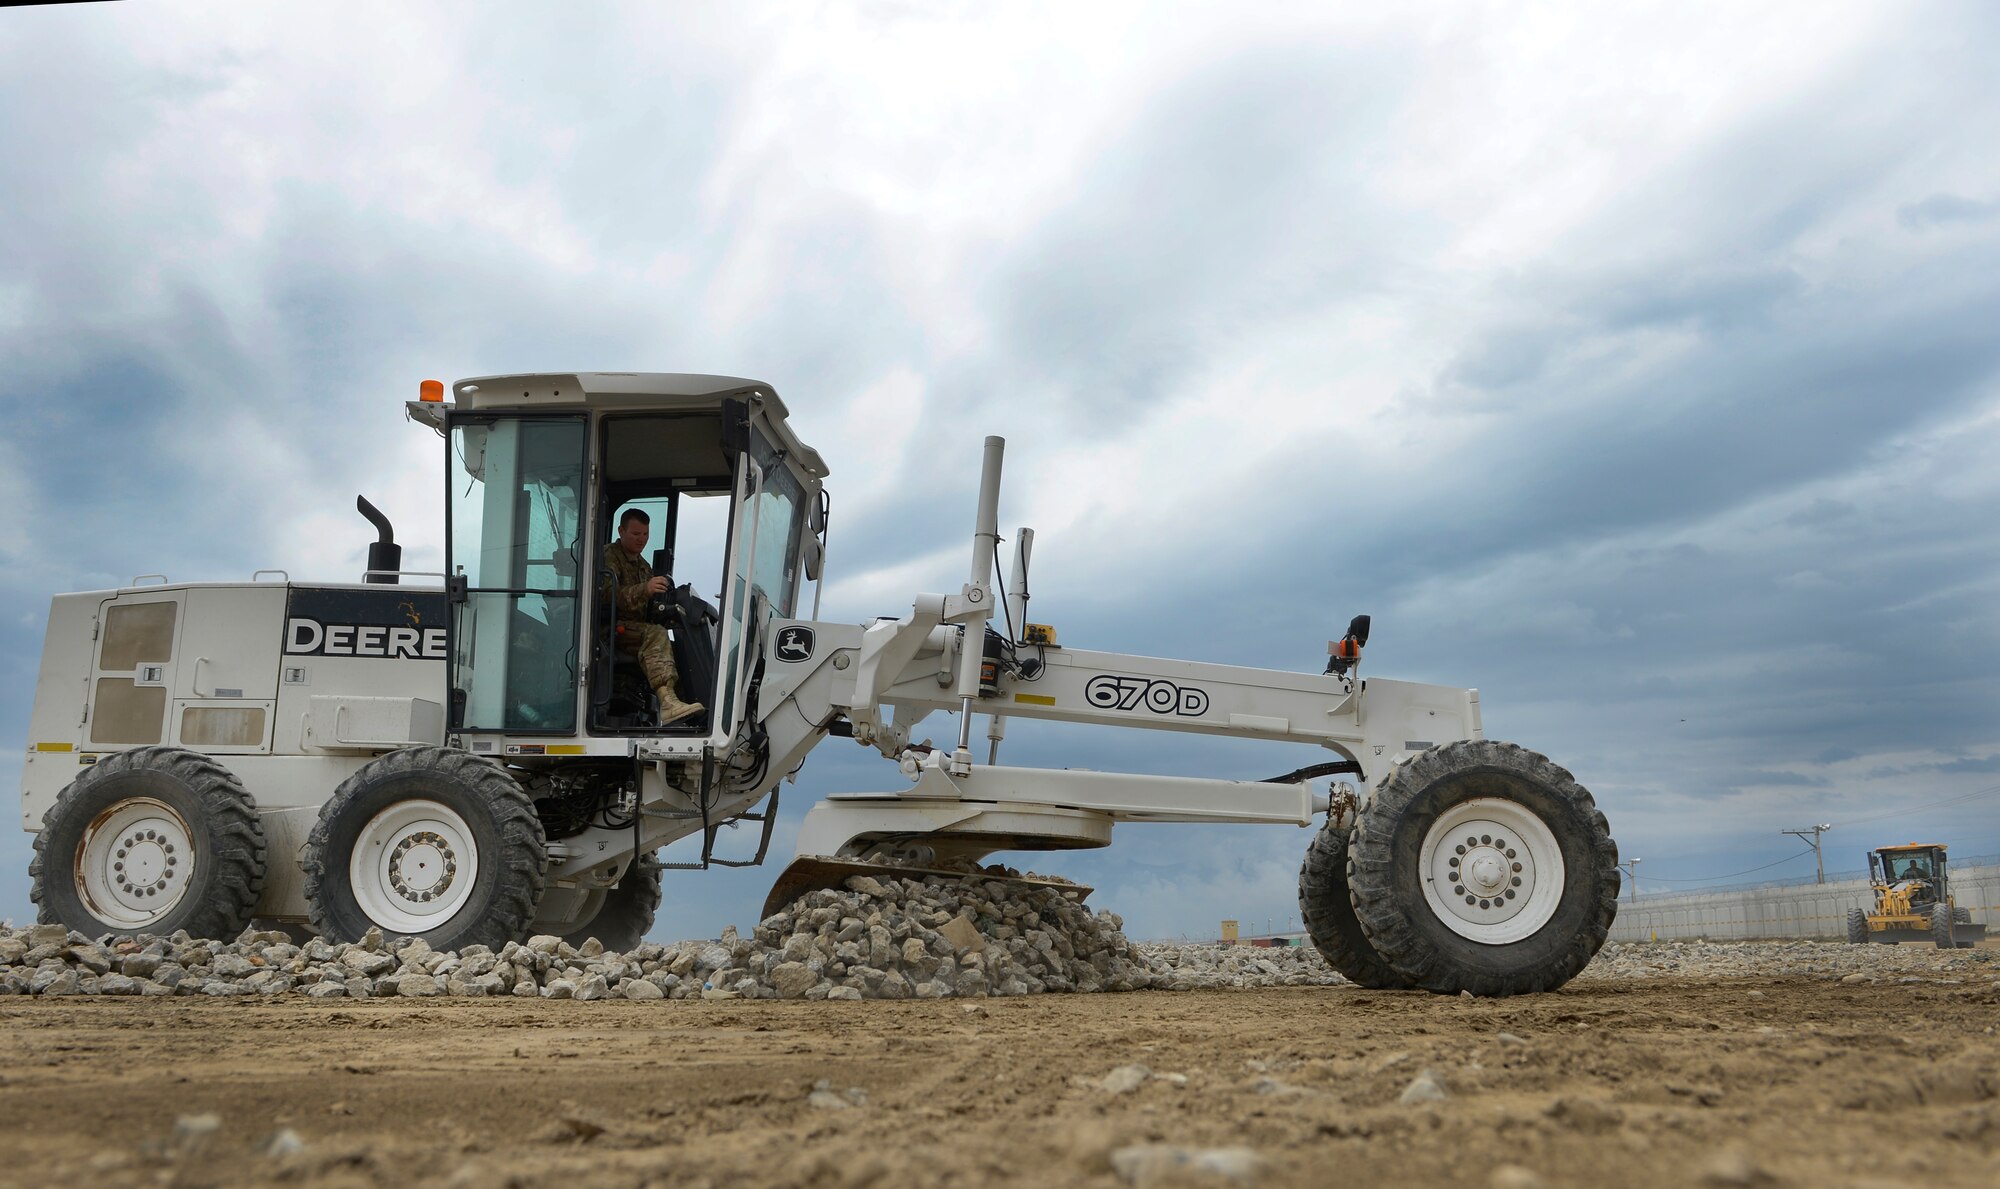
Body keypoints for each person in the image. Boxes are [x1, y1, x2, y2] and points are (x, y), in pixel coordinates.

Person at [605, 507, 704, 726]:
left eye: (645, 534)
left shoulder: (643, 565)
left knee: (679, 647)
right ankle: (667, 704)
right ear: (621, 530)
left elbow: (648, 605)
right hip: (610, 627)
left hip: (635, 627)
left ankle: (686, 712)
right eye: (636, 534)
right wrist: (645, 589)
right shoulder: (608, 556)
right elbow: (607, 596)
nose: (642, 539)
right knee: (656, 635)